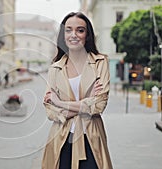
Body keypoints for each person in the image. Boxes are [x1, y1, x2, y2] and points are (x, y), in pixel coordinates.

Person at [42, 12, 113, 169]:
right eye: (68, 30)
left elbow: (99, 105)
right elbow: (50, 109)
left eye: (80, 30)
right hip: (60, 138)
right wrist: (85, 104)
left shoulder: (100, 62)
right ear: (63, 35)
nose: (73, 35)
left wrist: (60, 102)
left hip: (91, 136)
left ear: (87, 35)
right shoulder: (55, 68)